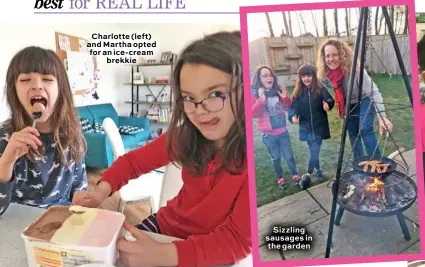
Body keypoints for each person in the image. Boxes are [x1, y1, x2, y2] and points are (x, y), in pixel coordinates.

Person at [72, 31, 251, 267]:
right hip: (164, 225)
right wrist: (100, 192)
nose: (199, 109)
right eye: (188, 97)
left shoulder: (256, 160)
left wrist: (166, 255)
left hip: (211, 251)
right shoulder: (185, 135)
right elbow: (132, 163)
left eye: (215, 94)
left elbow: (237, 241)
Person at [0, 46, 87, 215]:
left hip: (61, 220)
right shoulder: (4, 137)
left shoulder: (72, 135)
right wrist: (6, 161)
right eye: (25, 80)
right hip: (17, 222)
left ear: (61, 89)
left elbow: (79, 191)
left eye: (47, 79)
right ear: (14, 90)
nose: (37, 86)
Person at [316, 39, 393, 159]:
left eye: (335, 54)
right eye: (327, 56)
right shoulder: (328, 73)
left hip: (365, 98)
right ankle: (359, 164)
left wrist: (382, 116)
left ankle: (377, 164)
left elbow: (373, 91)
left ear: (342, 54)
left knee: (365, 129)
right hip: (348, 103)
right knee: (352, 134)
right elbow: (319, 87)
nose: (331, 59)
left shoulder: (355, 69)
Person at [251, 65, 309, 190]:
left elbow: (288, 107)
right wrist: (260, 100)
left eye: (270, 75)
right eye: (265, 76)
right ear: (259, 79)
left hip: (282, 131)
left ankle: (295, 175)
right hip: (268, 134)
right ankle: (280, 177)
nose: (269, 78)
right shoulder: (255, 94)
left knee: (288, 155)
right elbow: (253, 114)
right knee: (276, 157)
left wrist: (285, 98)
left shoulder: (277, 90)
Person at [288, 64, 335, 183]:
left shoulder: (320, 88)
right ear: (300, 78)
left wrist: (328, 104)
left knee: (315, 150)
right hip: (306, 128)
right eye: (303, 76)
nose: (306, 79)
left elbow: (329, 99)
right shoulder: (298, 92)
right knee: (313, 150)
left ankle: (309, 172)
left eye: (309, 75)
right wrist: (292, 117)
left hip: (319, 126)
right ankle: (318, 169)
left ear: (313, 76)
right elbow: (293, 109)